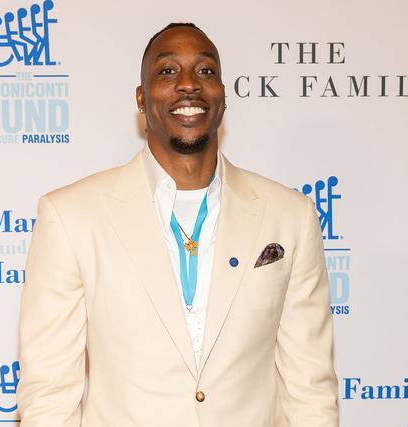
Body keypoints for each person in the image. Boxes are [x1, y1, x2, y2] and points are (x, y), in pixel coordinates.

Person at [17, 22, 339, 427]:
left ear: (223, 96)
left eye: (206, 71)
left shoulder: (290, 216)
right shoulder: (71, 216)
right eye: (168, 71)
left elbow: (310, 389)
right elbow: (48, 395)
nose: (189, 84)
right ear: (141, 97)